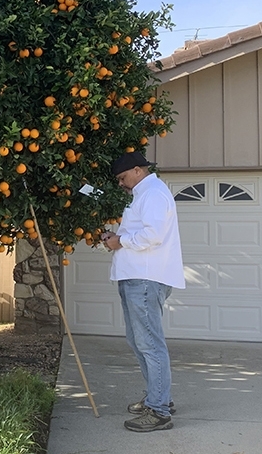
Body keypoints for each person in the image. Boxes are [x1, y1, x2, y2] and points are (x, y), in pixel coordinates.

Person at [100, 151, 185, 432]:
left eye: (123, 177)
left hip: (146, 279)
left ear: (138, 170)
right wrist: (115, 238)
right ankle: (158, 398)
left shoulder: (153, 194)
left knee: (149, 343)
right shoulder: (143, 194)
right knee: (139, 342)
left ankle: (159, 411)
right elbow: (141, 232)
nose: (121, 183)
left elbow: (153, 235)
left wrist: (119, 241)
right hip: (136, 277)